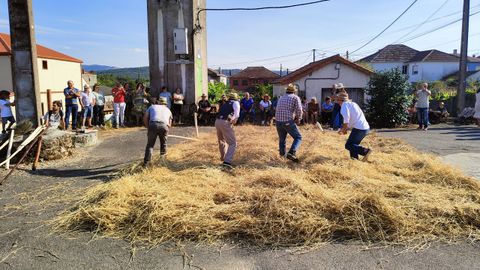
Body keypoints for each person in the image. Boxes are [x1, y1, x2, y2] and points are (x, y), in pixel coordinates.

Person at [337, 92, 372, 161]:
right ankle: (354, 160)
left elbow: (346, 120)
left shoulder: (344, 106)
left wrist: (344, 130)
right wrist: (344, 129)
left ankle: (365, 151)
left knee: (348, 145)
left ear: (341, 100)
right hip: (364, 128)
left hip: (360, 128)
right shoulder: (353, 104)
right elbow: (352, 119)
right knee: (353, 145)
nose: (337, 102)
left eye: (338, 100)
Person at [274, 84, 303, 162]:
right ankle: (292, 152)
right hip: (287, 121)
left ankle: (282, 157)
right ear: (294, 91)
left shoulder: (281, 98)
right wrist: (299, 118)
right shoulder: (295, 97)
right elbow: (299, 110)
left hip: (278, 121)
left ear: (286, 90)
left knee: (282, 140)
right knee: (298, 137)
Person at [143, 97, 172, 166]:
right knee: (163, 144)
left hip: (153, 124)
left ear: (158, 102)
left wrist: (148, 127)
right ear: (165, 104)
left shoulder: (152, 106)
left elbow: (145, 117)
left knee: (150, 145)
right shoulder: (168, 109)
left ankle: (146, 164)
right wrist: (166, 130)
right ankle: (163, 162)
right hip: (164, 126)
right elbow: (170, 124)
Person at [215, 93, 240, 169]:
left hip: (217, 121)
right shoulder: (236, 103)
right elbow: (237, 115)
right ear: (236, 98)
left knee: (222, 140)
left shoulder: (225, 103)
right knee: (233, 143)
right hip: (225, 122)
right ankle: (227, 162)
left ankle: (223, 158)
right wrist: (233, 121)